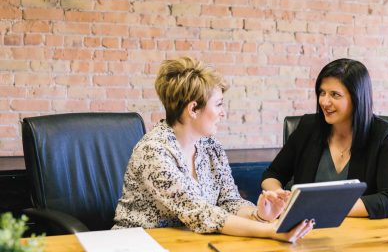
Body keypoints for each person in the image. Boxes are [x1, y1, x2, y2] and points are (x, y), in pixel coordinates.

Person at [112, 56, 314, 242]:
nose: (223, 113)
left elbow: (229, 201)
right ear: (193, 109)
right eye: (218, 105)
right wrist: (271, 230)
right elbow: (200, 213)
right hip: (137, 245)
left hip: (190, 243)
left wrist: (259, 215)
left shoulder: (210, 147)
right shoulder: (153, 151)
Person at [261, 58, 388, 219]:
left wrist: (321, 207)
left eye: (335, 95)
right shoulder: (308, 127)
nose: (324, 101)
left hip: (362, 233)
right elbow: (272, 174)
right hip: (306, 231)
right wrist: (278, 194)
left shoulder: (385, 135)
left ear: (357, 98)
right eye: (322, 93)